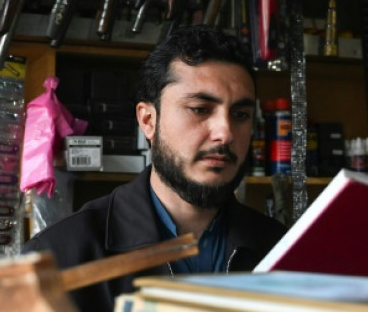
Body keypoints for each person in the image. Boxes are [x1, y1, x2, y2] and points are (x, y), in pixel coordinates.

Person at [22, 24, 287, 312]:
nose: (225, 132)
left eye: (241, 114)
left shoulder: (280, 250)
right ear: (148, 120)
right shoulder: (60, 257)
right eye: (200, 109)